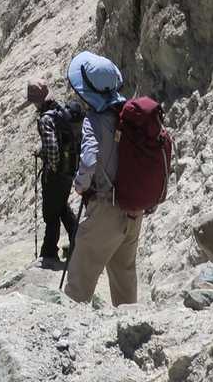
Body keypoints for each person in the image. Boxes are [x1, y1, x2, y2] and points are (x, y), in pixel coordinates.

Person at [62, 51, 141, 307]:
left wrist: (80, 185)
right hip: (134, 208)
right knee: (124, 274)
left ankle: (64, 328)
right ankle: (129, 324)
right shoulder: (131, 114)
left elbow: (89, 161)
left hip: (106, 208)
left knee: (80, 277)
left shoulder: (94, 121)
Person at [26, 79, 83, 268]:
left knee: (51, 213)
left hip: (56, 174)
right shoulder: (61, 112)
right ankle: (78, 242)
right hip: (70, 169)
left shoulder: (46, 119)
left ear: (37, 101)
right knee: (61, 207)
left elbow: (52, 149)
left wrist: (50, 165)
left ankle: (50, 252)